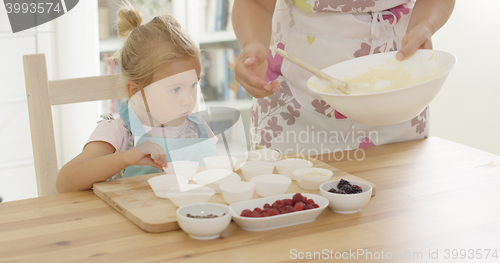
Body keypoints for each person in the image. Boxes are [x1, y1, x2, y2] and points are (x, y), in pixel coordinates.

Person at [232, 0, 455, 155]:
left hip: (397, 102)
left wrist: (424, 26)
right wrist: (253, 42)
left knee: (393, 212)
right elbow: (257, 2)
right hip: (293, 110)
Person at [56, 4, 218, 193]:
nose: (188, 100)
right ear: (136, 92)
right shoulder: (119, 132)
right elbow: (64, 182)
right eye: (175, 89)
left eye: (193, 85)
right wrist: (126, 158)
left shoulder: (196, 128)